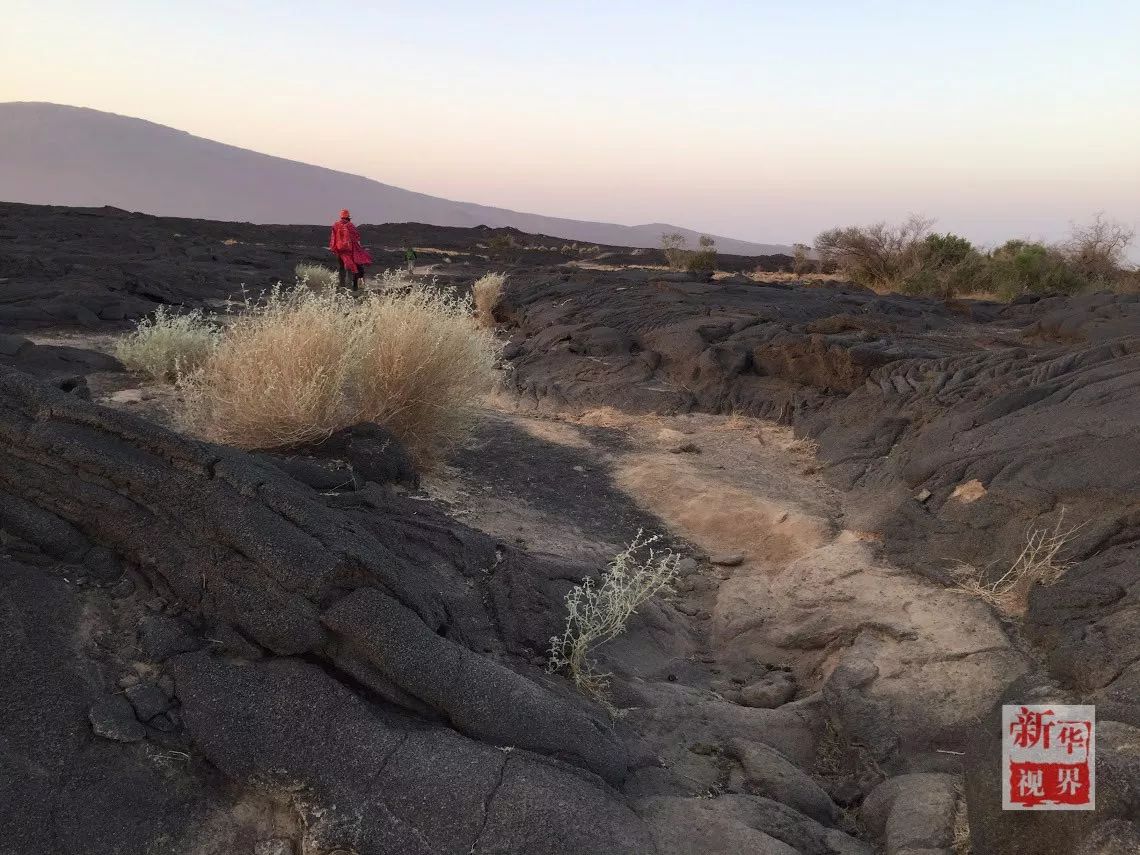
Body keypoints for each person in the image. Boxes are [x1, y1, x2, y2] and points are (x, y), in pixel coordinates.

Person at [328, 209, 372, 290]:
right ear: (348, 217)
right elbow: (356, 237)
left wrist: (334, 248)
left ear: (341, 216)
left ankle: (342, 285)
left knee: (341, 267)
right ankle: (353, 287)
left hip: (339, 250)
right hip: (349, 250)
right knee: (352, 267)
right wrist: (358, 250)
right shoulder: (350, 225)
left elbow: (333, 238)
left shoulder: (335, 225)